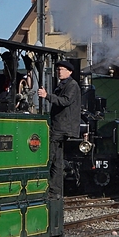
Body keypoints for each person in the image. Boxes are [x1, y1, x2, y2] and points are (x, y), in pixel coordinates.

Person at [37, 60, 82, 200]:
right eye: (58, 70)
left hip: (61, 127)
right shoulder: (62, 85)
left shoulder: (72, 85)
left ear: (70, 72)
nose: (59, 72)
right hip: (58, 125)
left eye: (62, 69)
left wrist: (47, 96)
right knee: (56, 159)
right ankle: (54, 191)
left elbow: (64, 101)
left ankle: (51, 190)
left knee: (51, 157)